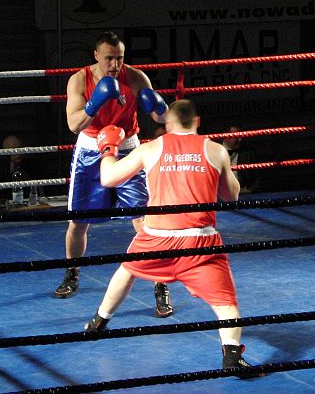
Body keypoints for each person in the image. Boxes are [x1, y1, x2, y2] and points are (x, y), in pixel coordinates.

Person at [85, 99, 261, 375]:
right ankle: (231, 356)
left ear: (167, 124)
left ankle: (98, 322)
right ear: (197, 122)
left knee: (126, 270)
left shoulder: (151, 148)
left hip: (156, 238)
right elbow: (232, 196)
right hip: (199, 242)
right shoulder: (215, 150)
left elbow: (108, 178)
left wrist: (108, 149)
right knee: (226, 304)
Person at [56, 31, 174, 319]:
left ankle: (161, 284)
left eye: (119, 58)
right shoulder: (79, 80)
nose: (115, 64)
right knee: (78, 221)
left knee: (145, 220)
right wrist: (94, 103)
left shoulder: (135, 78)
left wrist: (159, 106)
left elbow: (162, 119)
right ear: (96, 55)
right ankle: (72, 273)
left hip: (128, 149)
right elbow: (73, 124)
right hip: (90, 150)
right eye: (109, 58)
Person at [222, 126, 260, 194]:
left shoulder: (248, 153)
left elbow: (259, 177)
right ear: (227, 136)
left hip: (243, 195)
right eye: (237, 136)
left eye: (241, 136)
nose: (240, 139)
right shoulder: (213, 151)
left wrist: (250, 190)